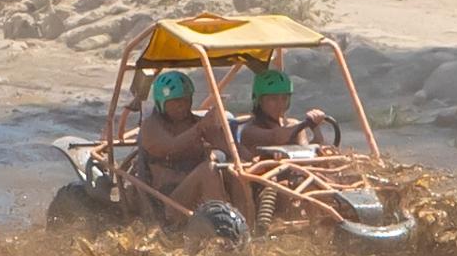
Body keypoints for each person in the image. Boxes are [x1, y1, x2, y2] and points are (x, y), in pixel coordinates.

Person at [137, 71, 233, 221]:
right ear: (161, 102)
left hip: (198, 199)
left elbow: (229, 148)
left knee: (235, 172)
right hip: (168, 204)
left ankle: (252, 228)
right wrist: (200, 128)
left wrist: (251, 161)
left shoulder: (196, 123)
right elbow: (170, 147)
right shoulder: (151, 127)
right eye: (175, 101)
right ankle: (223, 225)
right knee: (207, 170)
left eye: (185, 100)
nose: (181, 106)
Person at [239, 69, 327, 150]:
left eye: (284, 98)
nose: (280, 104)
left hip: (294, 167)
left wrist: (315, 126)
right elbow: (277, 137)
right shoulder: (250, 131)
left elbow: (306, 151)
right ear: (259, 101)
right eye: (273, 99)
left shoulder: (294, 124)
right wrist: (305, 124)